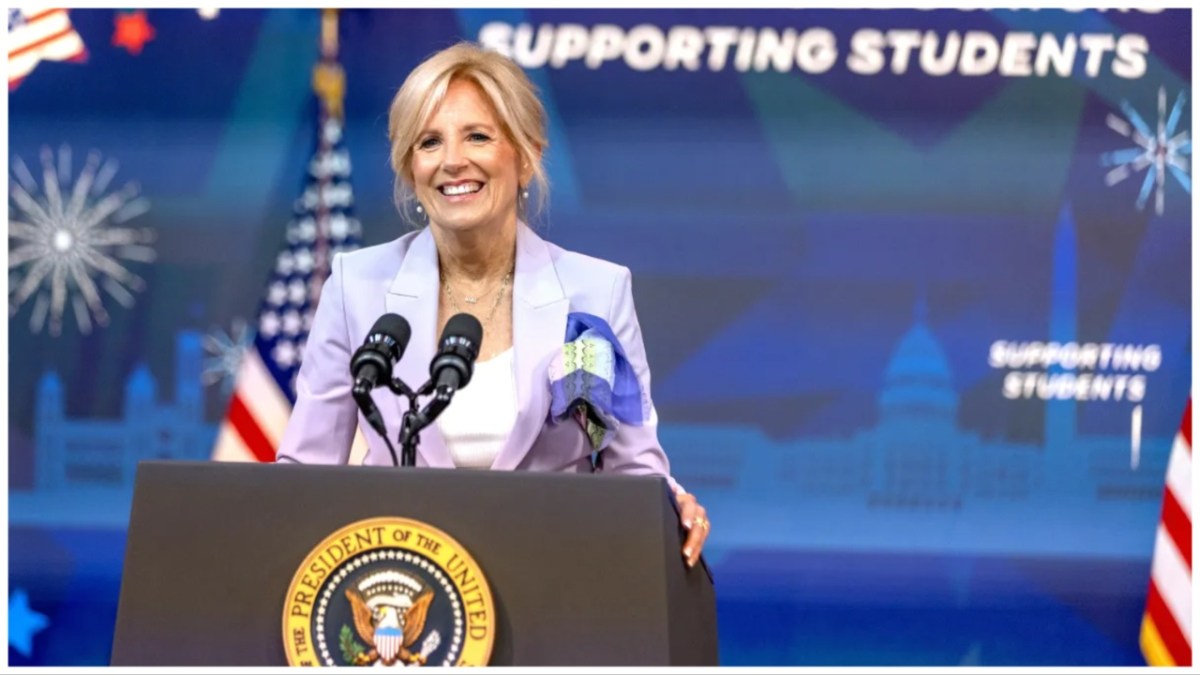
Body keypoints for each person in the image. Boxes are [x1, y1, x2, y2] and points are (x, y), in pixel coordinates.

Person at [275, 41, 710, 566]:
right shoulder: (356, 286)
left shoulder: (594, 291)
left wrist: (670, 505)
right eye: (429, 142)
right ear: (410, 168)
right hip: (400, 590)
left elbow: (631, 466)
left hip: (553, 576)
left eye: (478, 136)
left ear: (525, 156)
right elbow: (305, 471)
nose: (452, 161)